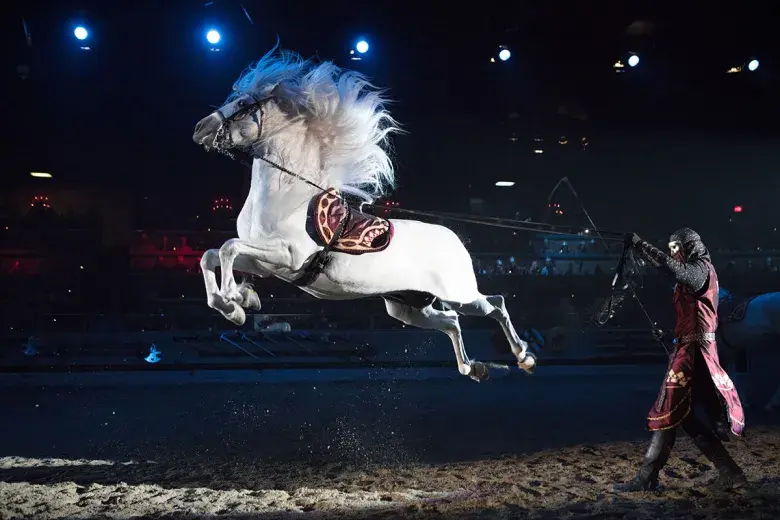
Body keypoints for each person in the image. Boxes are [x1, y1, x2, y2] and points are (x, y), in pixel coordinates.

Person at [614, 228, 746, 492]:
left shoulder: (699, 269)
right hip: (689, 348)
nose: (674, 252)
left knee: (670, 412)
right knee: (679, 415)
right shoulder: (694, 272)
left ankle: (647, 477)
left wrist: (642, 245)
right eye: (671, 247)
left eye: (677, 247)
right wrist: (670, 337)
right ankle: (729, 471)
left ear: (689, 246)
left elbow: (671, 269)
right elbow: (689, 312)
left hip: (695, 353)